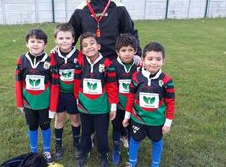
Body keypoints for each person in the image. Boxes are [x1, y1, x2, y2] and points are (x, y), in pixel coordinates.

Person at [122, 42, 176, 167]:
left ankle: (155, 164)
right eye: (150, 59)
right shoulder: (136, 77)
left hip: (156, 121)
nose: (153, 63)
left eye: (158, 59)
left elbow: (171, 103)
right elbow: (130, 98)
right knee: (134, 140)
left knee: (157, 142)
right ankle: (132, 162)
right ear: (143, 60)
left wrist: (167, 124)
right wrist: (127, 116)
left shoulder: (167, 81)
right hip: (138, 119)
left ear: (163, 61)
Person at [69, 0, 142, 62]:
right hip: (89, 63)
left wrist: (137, 54)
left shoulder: (118, 8)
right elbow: (70, 35)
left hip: (113, 61)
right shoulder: (80, 10)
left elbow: (130, 33)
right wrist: (60, 48)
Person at [74, 32, 118, 167]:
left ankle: (103, 154)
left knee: (102, 133)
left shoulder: (107, 63)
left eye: (92, 43)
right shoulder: (80, 62)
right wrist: (77, 99)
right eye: (85, 45)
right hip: (85, 106)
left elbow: (112, 86)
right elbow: (76, 82)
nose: (89, 47)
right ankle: (85, 151)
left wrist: (113, 106)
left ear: (98, 46)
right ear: (82, 50)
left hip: (101, 107)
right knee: (86, 131)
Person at [15, 28, 54, 164]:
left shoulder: (50, 61)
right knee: (32, 127)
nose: (35, 44)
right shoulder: (21, 60)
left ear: (45, 44)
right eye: (32, 41)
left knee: (45, 126)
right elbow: (18, 83)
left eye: (39, 41)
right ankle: (33, 152)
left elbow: (55, 85)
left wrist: (53, 106)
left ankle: (47, 151)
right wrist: (20, 103)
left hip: (45, 104)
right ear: (27, 43)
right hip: (28, 103)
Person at [48, 23, 81, 159]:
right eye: (61, 38)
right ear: (56, 40)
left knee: (75, 118)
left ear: (73, 39)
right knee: (59, 118)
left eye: (67, 38)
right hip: (59, 94)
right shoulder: (52, 56)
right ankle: (58, 144)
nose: (64, 41)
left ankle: (76, 143)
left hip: (74, 94)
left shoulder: (80, 55)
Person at [110, 33, 141, 165]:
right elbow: (111, 88)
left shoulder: (139, 66)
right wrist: (113, 107)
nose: (127, 54)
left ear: (135, 51)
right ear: (117, 52)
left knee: (131, 127)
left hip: (133, 106)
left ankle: (130, 146)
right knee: (116, 126)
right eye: (123, 50)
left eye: (130, 50)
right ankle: (116, 148)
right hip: (119, 105)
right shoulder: (113, 65)